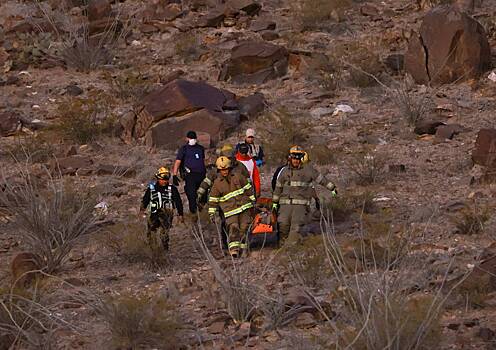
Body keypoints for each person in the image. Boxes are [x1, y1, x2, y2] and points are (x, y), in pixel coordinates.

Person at [272, 146, 337, 244]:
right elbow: (278, 187)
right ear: (290, 157)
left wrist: (332, 188)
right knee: (283, 225)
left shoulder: (308, 170)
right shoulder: (284, 171)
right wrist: (275, 203)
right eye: (294, 157)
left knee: (295, 228)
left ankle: (289, 250)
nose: (296, 160)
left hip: (300, 206)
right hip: (285, 205)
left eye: (298, 158)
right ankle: (282, 246)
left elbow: (321, 179)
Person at [208, 156, 256, 258]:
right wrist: (212, 213)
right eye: (222, 170)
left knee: (244, 228)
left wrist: (252, 200)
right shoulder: (217, 184)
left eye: (225, 169)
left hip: (244, 207)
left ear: (229, 168)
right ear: (219, 170)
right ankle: (234, 251)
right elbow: (213, 200)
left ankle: (244, 250)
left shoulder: (238, 176)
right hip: (230, 211)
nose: (224, 172)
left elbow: (248, 188)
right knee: (233, 228)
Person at [141, 167, 184, 251]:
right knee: (151, 232)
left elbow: (178, 202)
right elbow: (145, 199)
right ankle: (153, 250)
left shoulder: (172, 189)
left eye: (166, 179)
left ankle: (164, 250)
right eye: (163, 179)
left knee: (164, 233)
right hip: (154, 214)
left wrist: (180, 214)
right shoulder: (152, 188)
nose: (165, 181)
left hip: (167, 214)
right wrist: (141, 210)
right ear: (158, 178)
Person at [172, 131, 206, 214]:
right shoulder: (184, 149)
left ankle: (202, 210)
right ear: (187, 138)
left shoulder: (200, 148)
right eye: (190, 138)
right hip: (190, 175)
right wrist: (174, 174)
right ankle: (193, 213)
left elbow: (202, 160)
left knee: (204, 194)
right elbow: (178, 162)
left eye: (194, 138)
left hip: (201, 174)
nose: (192, 140)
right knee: (191, 194)